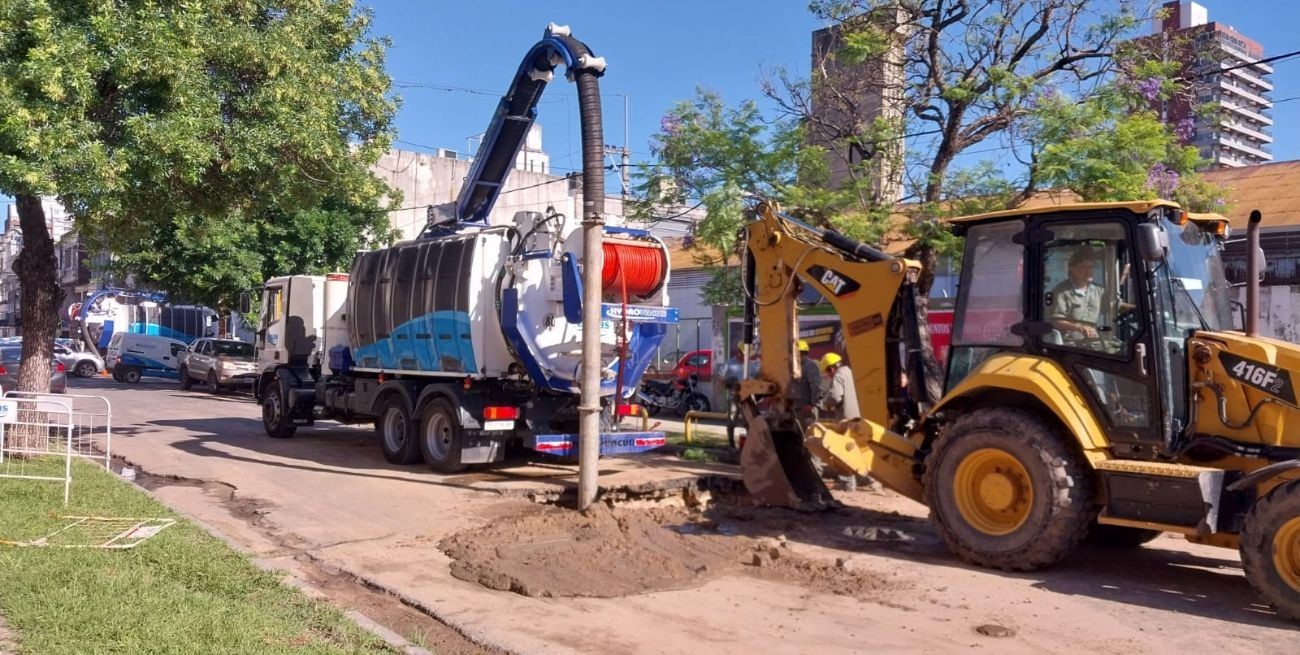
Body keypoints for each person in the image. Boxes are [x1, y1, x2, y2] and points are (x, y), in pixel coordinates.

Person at [1049, 247, 1104, 342]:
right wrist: (1078, 328)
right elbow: (1055, 321)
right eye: (1084, 267)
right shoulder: (1061, 292)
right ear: (1072, 268)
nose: (1089, 271)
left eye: (1091, 267)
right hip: (1070, 344)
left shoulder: (1098, 290)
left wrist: (1136, 307)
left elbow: (1114, 305)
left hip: (1094, 341)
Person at [818, 352, 859, 421]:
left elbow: (834, 397)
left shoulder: (838, 376)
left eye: (827, 372)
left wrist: (824, 404)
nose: (828, 376)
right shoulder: (851, 372)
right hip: (858, 416)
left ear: (831, 369)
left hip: (846, 421)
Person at [791, 340, 822, 416]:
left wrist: (811, 404)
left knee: (808, 428)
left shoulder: (810, 366)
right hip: (797, 409)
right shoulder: (796, 367)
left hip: (807, 410)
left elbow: (816, 387)